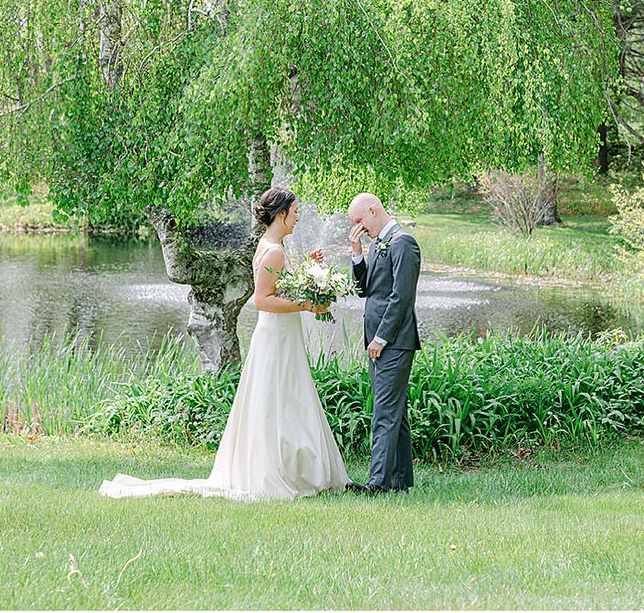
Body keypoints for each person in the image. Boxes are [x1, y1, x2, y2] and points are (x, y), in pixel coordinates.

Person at [99, 188, 349, 500]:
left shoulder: (274, 246)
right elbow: (262, 300)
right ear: (282, 214)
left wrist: (308, 272)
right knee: (278, 399)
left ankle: (294, 465)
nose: (299, 217)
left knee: (287, 397)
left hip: (282, 333)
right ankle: (280, 470)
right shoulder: (273, 250)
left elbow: (279, 286)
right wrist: (308, 305)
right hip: (276, 335)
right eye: (295, 211)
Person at [346, 192, 422, 494]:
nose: (359, 227)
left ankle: (377, 484)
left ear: (374, 211)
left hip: (393, 341)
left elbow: (401, 298)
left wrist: (381, 337)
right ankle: (401, 480)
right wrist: (357, 253)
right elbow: (365, 290)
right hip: (379, 340)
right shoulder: (379, 243)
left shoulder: (403, 243)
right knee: (396, 413)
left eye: (359, 220)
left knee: (384, 413)